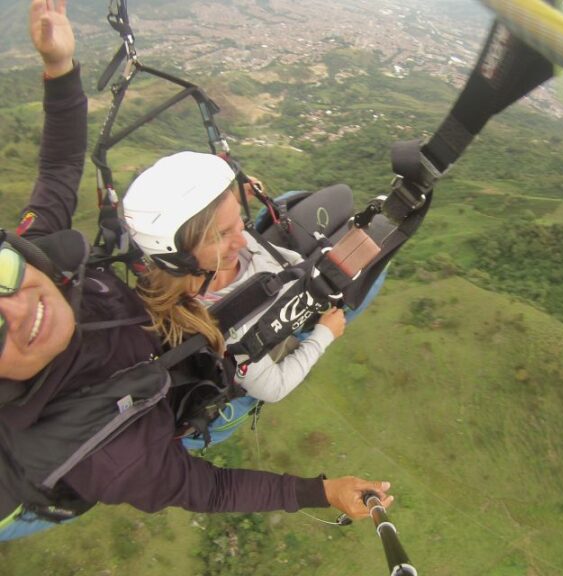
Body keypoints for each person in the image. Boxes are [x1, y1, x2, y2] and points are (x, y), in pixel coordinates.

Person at [0, 0, 392, 542]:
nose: (20, 307)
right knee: (217, 407)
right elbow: (211, 489)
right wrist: (321, 491)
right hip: (101, 445)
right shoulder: (110, 453)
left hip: (145, 344)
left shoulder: (30, 266)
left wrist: (60, 67)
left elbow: (58, 170)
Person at [122, 157, 354, 449]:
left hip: (286, 278)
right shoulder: (217, 326)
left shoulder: (223, 250)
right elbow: (274, 387)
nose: (242, 241)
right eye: (221, 235)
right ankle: (206, 438)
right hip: (248, 366)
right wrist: (323, 335)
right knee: (360, 292)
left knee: (289, 200)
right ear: (180, 255)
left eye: (238, 223)